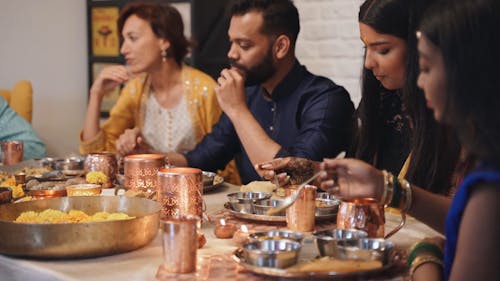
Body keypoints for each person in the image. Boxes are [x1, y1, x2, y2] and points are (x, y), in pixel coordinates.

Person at [319, 0, 500, 280]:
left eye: (426, 68)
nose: (419, 82)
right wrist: (386, 187)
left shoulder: (489, 187)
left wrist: (424, 257)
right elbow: (463, 220)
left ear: (463, 72)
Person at [258, 0, 464, 217]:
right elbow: (366, 184)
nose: (368, 63)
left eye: (383, 50)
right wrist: (315, 172)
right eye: (366, 48)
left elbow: (463, 219)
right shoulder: (381, 103)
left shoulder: (457, 121)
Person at [166, 0, 355, 184]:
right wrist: (147, 157)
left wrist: (238, 111)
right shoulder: (248, 94)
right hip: (247, 214)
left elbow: (293, 177)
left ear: (280, 47)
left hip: (306, 214)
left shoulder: (327, 99)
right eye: (232, 42)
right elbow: (201, 159)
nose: (232, 53)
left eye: (244, 45)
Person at [79, 2, 239, 183]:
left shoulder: (204, 89)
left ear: (163, 40)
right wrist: (96, 95)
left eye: (132, 38)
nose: (124, 49)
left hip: (200, 195)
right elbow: (97, 157)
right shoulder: (135, 90)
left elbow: (224, 165)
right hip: (150, 193)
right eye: (123, 40)